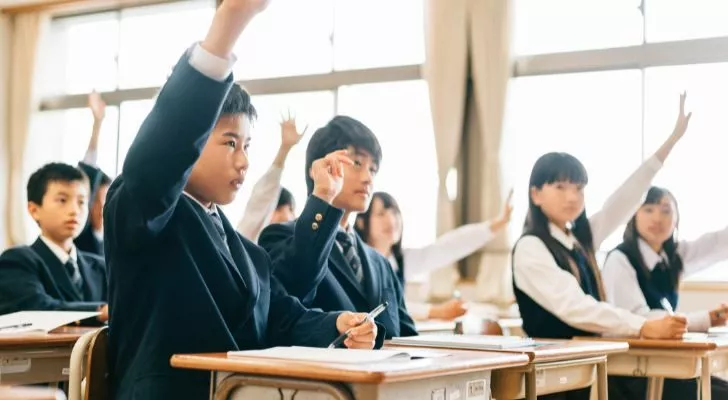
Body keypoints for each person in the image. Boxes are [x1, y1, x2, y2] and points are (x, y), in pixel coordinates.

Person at [103, 2, 379, 399]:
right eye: (229, 143)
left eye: (247, 145)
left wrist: (337, 324)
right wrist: (227, 28)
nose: (244, 160)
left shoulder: (244, 251)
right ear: (192, 142)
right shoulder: (145, 211)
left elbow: (281, 317)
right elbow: (160, 153)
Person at [512, 93, 693, 400]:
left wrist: (670, 144)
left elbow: (623, 201)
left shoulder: (578, 241)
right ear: (535, 194)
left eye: (579, 189)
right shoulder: (531, 247)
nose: (572, 197)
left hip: (592, 366)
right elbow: (575, 307)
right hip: (558, 379)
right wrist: (641, 325)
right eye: (560, 187)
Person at [259, 116, 418, 339]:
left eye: (373, 169)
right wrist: (323, 196)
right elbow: (289, 306)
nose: (367, 178)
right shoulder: (280, 237)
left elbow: (408, 336)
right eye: (356, 163)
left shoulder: (380, 262)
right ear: (319, 167)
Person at [603, 186, 728, 399]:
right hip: (634, 371)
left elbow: (716, 243)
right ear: (633, 214)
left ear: (677, 219)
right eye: (648, 209)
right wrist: (707, 318)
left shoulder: (671, 257)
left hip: (667, 364)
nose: (657, 218)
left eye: (666, 211)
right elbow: (642, 320)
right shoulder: (620, 259)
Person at [354, 190, 512, 320]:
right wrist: (436, 311)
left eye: (394, 213)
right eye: (381, 214)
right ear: (361, 222)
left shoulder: (401, 260)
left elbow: (448, 247)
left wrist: (495, 225)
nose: (391, 220)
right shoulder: (357, 262)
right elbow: (386, 308)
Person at [0, 163, 108, 323]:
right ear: (34, 210)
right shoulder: (16, 261)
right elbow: (34, 307)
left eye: (81, 202)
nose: (74, 210)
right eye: (62, 200)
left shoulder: (100, 266)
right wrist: (99, 311)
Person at [237, 116, 305, 240]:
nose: (294, 216)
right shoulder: (249, 232)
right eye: (290, 209)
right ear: (275, 208)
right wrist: (284, 149)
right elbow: (265, 192)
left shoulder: (284, 243)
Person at [75, 91, 112, 256]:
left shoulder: (112, 243)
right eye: (96, 201)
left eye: (105, 202)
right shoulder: (80, 236)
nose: (100, 209)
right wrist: (97, 123)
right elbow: (88, 168)